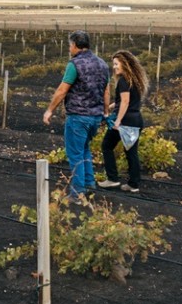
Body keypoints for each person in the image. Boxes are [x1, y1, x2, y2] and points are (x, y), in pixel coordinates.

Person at [43, 30, 110, 199]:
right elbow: (106, 90)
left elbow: (62, 90)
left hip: (78, 116)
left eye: (69, 45)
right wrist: (106, 111)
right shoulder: (102, 64)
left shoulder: (74, 64)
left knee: (74, 154)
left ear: (74, 45)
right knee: (84, 149)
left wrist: (50, 110)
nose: (69, 49)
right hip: (96, 116)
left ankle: (77, 193)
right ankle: (89, 185)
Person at [98, 49, 148, 193]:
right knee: (131, 152)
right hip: (136, 120)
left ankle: (112, 178)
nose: (114, 67)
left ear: (124, 64)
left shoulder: (123, 81)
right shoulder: (135, 81)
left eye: (116, 64)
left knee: (107, 146)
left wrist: (118, 121)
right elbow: (124, 102)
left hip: (125, 122)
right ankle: (134, 184)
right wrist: (111, 106)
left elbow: (125, 102)